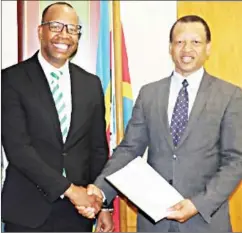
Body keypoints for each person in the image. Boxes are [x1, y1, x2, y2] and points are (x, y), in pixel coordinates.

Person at [79, 15, 242, 231]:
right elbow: (129, 150)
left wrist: (197, 204)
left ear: (208, 48)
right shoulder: (149, 94)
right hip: (154, 223)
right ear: (171, 47)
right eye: (180, 42)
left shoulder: (230, 96)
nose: (187, 49)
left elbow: (235, 161)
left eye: (196, 42)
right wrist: (100, 191)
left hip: (205, 222)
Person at [1, 2, 113, 232]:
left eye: (72, 29)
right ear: (40, 31)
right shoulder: (11, 80)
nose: (64, 35)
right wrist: (71, 191)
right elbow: (18, 149)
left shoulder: (91, 84)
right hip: (28, 212)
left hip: (78, 216)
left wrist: (103, 206)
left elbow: (98, 149)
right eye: (56, 26)